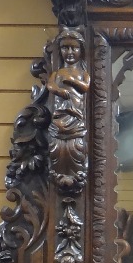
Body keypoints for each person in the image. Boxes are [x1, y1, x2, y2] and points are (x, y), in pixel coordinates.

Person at [47, 29, 90, 192]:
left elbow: (85, 86)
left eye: (74, 48)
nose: (70, 52)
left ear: (81, 51)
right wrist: (58, 90)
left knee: (76, 146)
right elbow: (50, 85)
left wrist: (71, 80)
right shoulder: (57, 73)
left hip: (76, 117)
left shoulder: (82, 73)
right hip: (60, 115)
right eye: (65, 48)